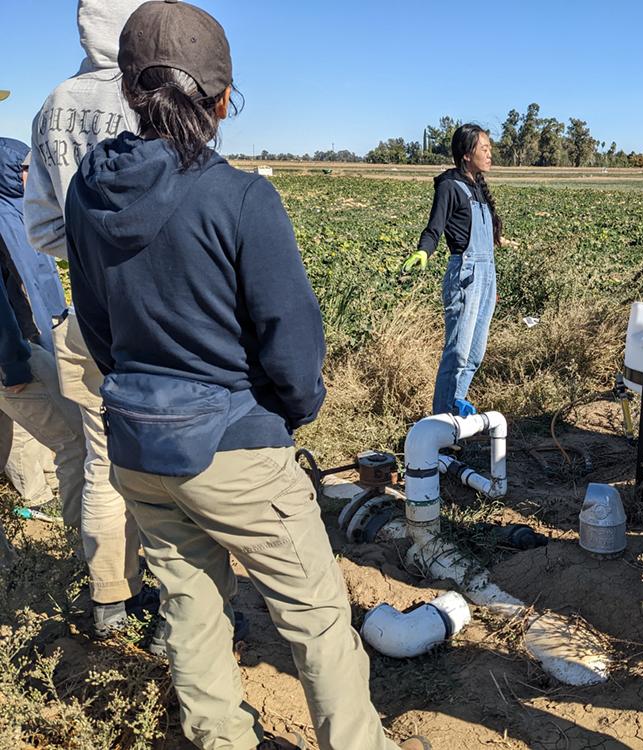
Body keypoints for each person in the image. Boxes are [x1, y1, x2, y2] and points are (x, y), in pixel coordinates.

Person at [64, 3, 429, 749]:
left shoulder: (88, 192)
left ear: (132, 91)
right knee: (318, 616)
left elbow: (96, 328)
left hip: (138, 446)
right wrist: (289, 413)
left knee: (190, 607)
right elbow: (291, 339)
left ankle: (218, 740)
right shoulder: (240, 197)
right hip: (234, 445)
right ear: (222, 98)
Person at [24, 0, 150, 637]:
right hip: (152, 317)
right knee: (164, 463)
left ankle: (108, 601)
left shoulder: (53, 103)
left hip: (85, 316)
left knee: (102, 462)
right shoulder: (149, 94)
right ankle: (184, 609)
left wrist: (86, 249)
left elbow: (41, 225)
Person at [0, 137, 85, 539]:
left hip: (32, 333)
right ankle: (67, 526)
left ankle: (45, 487)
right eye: (25, 169)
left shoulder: (26, 208)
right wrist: (12, 361)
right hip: (13, 347)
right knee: (72, 440)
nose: (33, 176)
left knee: (32, 424)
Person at [404, 124, 502, 416]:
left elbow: (484, 234)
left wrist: (491, 285)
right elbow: (434, 228)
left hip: (486, 278)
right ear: (466, 154)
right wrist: (423, 251)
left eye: (489, 147)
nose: (489, 153)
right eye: (483, 148)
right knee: (457, 354)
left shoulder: (478, 188)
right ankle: (442, 420)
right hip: (466, 276)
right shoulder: (450, 186)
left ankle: (454, 406)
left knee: (474, 355)